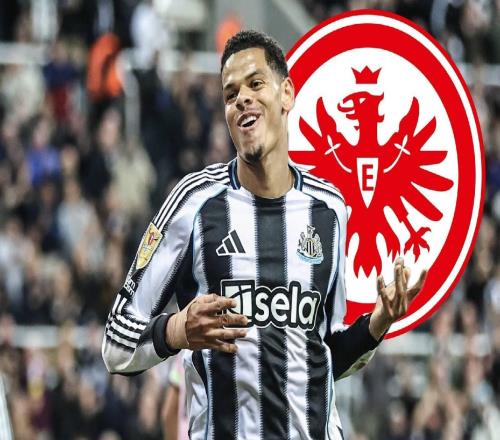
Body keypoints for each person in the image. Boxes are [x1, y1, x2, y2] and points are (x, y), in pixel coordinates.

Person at [102, 30, 427, 440]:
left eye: (255, 84)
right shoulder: (193, 203)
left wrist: (378, 322)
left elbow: (322, 357)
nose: (242, 99)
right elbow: (116, 345)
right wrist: (178, 329)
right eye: (230, 93)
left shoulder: (330, 209)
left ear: (286, 93)